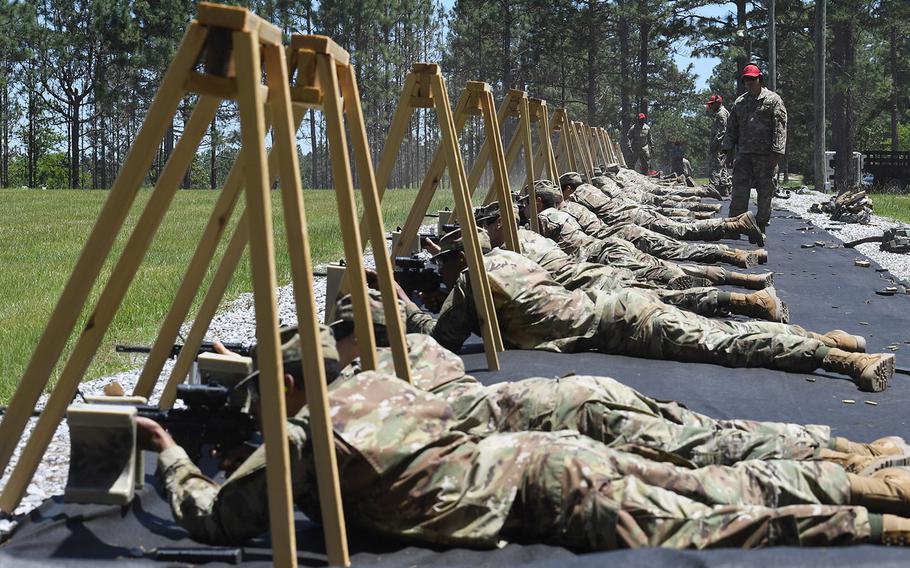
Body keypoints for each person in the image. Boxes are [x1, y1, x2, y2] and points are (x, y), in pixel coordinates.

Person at [142, 323, 910, 549]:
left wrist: (173, 457)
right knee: (716, 482)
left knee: (725, 517)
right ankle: (861, 478)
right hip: (550, 458)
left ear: (286, 387)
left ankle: (877, 514)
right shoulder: (382, 385)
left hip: (551, 490)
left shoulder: (306, 440)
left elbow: (216, 520)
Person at [403, 226, 894, 392]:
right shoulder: (504, 258)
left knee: (723, 343)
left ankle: (846, 361)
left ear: (456, 258)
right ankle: (830, 341)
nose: (443, 274)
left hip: (620, 322)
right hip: (618, 307)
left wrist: (402, 309)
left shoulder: (472, 280)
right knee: (712, 325)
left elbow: (442, 341)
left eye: (442, 265)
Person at [722, 64, 788, 242]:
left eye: (752, 79)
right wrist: (729, 151)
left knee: (765, 193)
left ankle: (760, 226)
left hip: (765, 157)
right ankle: (736, 225)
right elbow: (732, 128)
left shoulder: (773, 100)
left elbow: (780, 128)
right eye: (746, 80)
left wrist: (776, 153)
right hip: (744, 155)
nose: (749, 83)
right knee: (739, 192)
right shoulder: (740, 103)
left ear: (760, 79)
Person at [706, 94, 732, 197]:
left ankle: (714, 187)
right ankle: (724, 188)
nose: (711, 107)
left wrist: (714, 144)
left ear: (717, 103)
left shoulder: (721, 114)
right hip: (722, 145)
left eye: (712, 104)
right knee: (722, 166)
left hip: (720, 145)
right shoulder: (721, 113)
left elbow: (722, 132)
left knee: (715, 167)